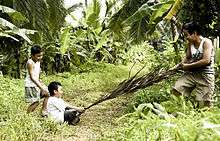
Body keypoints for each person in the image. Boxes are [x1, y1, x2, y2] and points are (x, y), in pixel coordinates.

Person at [172, 22, 215, 108]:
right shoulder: (190, 44)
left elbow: (206, 60)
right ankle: (183, 108)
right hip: (192, 74)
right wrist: (177, 67)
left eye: (186, 35)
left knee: (203, 106)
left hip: (205, 76)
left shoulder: (206, 42)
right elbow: (187, 58)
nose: (185, 37)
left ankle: (198, 109)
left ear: (194, 33)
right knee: (177, 89)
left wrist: (187, 66)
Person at [25, 45, 49, 114]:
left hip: (37, 83)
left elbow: (37, 74)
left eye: (41, 55)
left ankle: (43, 111)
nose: (40, 57)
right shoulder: (30, 63)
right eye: (38, 56)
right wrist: (41, 87)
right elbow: (32, 77)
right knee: (36, 102)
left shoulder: (38, 61)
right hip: (31, 85)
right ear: (32, 55)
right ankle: (28, 115)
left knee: (48, 94)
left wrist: (40, 82)